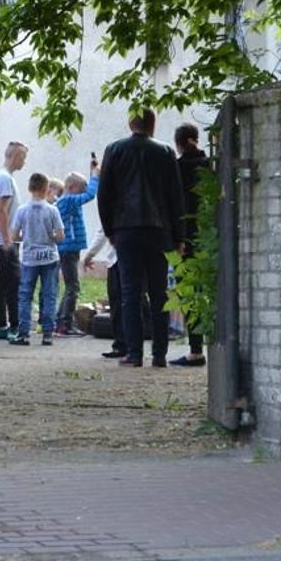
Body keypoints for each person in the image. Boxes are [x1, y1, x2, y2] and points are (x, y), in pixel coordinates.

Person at [97, 108, 185, 368]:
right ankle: (159, 354)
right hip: (159, 229)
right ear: (152, 124)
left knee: (130, 292)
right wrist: (178, 235)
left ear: (130, 123)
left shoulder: (114, 150)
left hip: (126, 229)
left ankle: (134, 353)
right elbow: (175, 196)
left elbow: (105, 195)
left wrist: (111, 230)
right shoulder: (166, 152)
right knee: (159, 293)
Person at [9, 173, 64, 346]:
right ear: (46, 188)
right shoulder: (52, 210)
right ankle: (47, 333)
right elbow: (60, 236)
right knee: (49, 294)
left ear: (29, 188)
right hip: (49, 257)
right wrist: (50, 237)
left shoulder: (22, 210)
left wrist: (26, 236)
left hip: (29, 258)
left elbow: (14, 235)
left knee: (25, 295)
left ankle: (23, 332)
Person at [170, 122, 210, 367]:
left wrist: (177, 239)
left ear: (179, 144)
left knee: (189, 294)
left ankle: (196, 350)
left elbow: (173, 206)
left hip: (184, 240)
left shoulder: (176, 169)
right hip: (211, 237)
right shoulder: (211, 166)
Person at [54, 163, 100, 335]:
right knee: (73, 287)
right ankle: (65, 324)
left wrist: (92, 174)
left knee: (71, 286)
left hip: (70, 248)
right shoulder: (68, 200)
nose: (82, 194)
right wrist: (95, 176)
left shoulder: (70, 200)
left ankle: (60, 320)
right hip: (68, 249)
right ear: (71, 187)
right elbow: (89, 195)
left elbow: (86, 192)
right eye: (80, 189)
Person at [0, 141, 28, 339]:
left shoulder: (6, 178)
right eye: (23, 156)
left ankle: (5, 324)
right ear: (13, 156)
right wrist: (7, 239)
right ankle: (9, 325)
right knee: (12, 281)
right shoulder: (4, 178)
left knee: (6, 281)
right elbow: (1, 209)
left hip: (8, 238)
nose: (25, 161)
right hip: (4, 240)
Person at [84, 227, 125, 358]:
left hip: (117, 258)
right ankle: (140, 347)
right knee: (136, 301)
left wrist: (90, 254)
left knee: (117, 302)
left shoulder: (113, 206)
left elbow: (103, 231)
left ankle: (121, 345)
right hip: (141, 256)